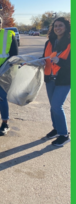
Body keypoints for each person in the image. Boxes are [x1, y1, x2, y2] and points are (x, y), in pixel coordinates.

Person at [40, 17, 71, 147]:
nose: (57, 28)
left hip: (64, 80)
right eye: (55, 26)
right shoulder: (49, 42)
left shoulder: (71, 42)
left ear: (66, 27)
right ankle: (57, 129)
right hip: (49, 78)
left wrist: (60, 61)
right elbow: (44, 57)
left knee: (57, 106)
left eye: (61, 26)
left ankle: (64, 135)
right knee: (52, 106)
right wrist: (40, 61)